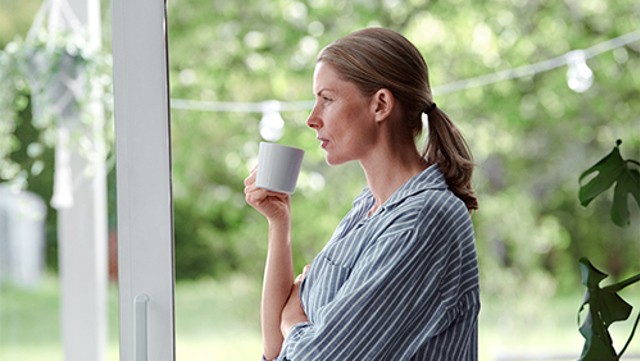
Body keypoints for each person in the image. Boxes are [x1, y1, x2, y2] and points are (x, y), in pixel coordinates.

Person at [244, 27, 480, 361]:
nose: (312, 119)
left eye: (327, 99)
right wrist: (278, 223)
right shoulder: (368, 208)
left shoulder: (422, 220)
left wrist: (293, 319)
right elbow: (275, 351)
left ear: (381, 104)